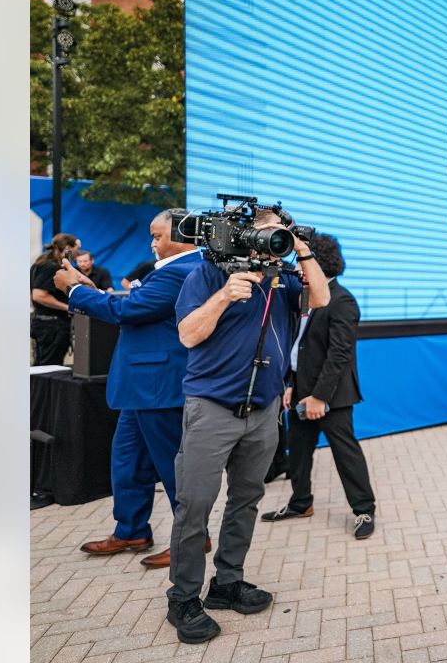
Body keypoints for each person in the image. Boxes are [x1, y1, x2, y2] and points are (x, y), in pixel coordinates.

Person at [165, 209, 330, 644]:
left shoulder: (284, 279)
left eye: (282, 230)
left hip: (263, 409)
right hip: (211, 408)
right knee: (195, 504)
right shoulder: (206, 273)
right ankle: (182, 598)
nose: (276, 237)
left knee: (246, 500)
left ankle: (227, 583)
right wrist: (223, 297)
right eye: (269, 229)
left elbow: (323, 299)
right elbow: (187, 336)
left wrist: (301, 248)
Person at [54, 209, 205, 568]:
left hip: (159, 386)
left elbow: (131, 310)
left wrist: (74, 290)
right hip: (142, 386)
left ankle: (192, 540)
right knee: (127, 462)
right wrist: (90, 291)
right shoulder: (174, 270)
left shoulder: (184, 271)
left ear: (183, 235)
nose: (152, 243)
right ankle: (131, 529)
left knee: (172, 469)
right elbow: (133, 306)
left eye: (157, 236)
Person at [261, 234, 377, 541]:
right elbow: (296, 347)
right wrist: (290, 385)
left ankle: (364, 510)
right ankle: (300, 503)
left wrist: (319, 397)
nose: (297, 266)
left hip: (331, 395)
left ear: (319, 261)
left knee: (345, 452)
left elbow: (339, 355)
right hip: (299, 388)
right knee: (298, 451)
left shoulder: (343, 300)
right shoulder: (303, 294)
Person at [30, 232, 78, 365]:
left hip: (43, 322)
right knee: (50, 367)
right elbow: (39, 295)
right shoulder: (51, 267)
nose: (77, 253)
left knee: (41, 365)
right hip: (52, 326)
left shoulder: (39, 263)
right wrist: (67, 307)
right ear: (68, 247)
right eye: (76, 249)